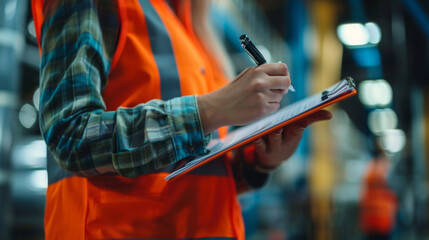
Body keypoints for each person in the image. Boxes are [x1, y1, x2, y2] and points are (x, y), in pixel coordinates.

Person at [32, 0, 332, 239]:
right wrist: (210, 110)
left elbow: (193, 171)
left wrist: (259, 161)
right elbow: (69, 134)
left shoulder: (191, 26)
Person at [359, 143, 398, 240]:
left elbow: (363, 192)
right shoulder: (386, 168)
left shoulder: (369, 168)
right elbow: (394, 188)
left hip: (369, 216)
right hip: (383, 216)